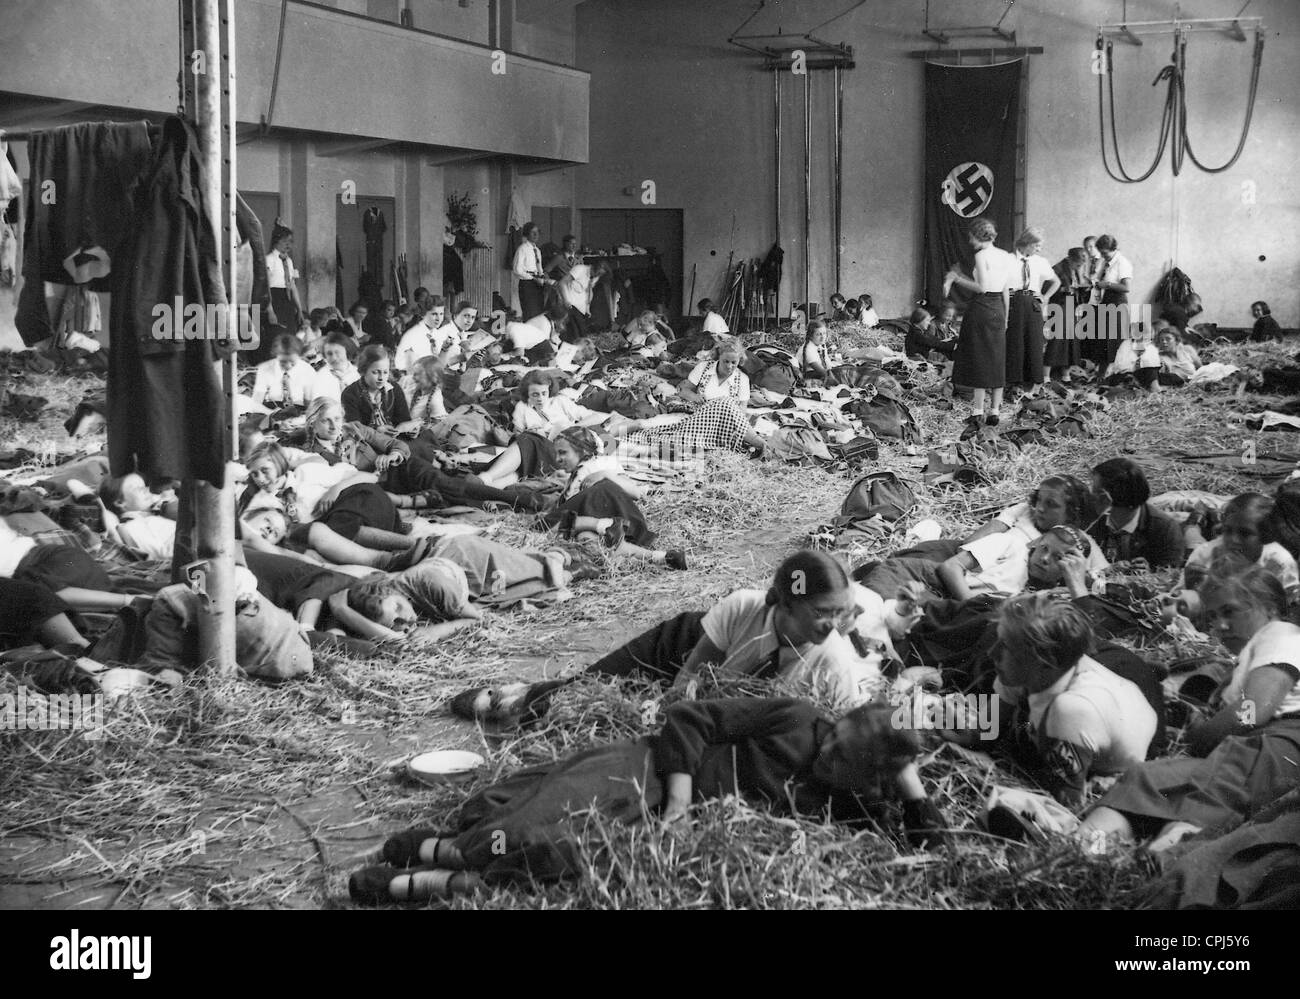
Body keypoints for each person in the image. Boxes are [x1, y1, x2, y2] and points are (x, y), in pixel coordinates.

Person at [349, 695, 944, 902]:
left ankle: (417, 885)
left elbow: (930, 846)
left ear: (871, 779)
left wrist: (906, 779)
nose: (825, 752)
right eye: (834, 735)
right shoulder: (798, 719)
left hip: (655, 829)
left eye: (843, 759)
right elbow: (689, 719)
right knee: (524, 821)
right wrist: (682, 806)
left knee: (565, 864)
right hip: (650, 771)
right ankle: (442, 849)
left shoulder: (847, 802)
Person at [453, 551, 887, 727]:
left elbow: (849, 730)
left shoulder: (832, 662)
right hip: (684, 644)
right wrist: (666, 707)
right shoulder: (745, 606)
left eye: (840, 613)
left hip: (726, 704)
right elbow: (692, 671)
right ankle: (525, 695)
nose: (835, 623)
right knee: (597, 686)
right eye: (824, 612)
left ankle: (528, 701)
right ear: (787, 605)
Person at [1079, 561, 1300, 853]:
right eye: (1213, 617)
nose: (1220, 626)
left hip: (1273, 747)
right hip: (1252, 750)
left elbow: (1251, 712)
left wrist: (1194, 740)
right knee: (1147, 778)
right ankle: (1081, 853)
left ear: (1270, 608)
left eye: (1231, 611)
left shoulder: (1280, 633)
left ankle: (1145, 869)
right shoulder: (1249, 655)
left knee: (1199, 802)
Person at [979, 593, 1159, 808]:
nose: (992, 653)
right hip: (1109, 707)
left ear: (1045, 661)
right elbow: (985, 730)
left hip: (1121, 756)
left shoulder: (1072, 710)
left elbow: (1066, 802)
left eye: (1006, 647)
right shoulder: (1026, 668)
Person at [536, 426, 686, 571]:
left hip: (616, 515)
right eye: (556, 453)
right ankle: (661, 557)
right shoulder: (580, 470)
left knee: (545, 525)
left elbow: (635, 493)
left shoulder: (600, 464)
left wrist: (605, 475)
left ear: (581, 450)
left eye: (563, 453)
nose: (557, 459)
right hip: (606, 525)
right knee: (588, 538)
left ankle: (602, 525)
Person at [474, 370, 641, 487]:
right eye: (534, 394)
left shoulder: (560, 401)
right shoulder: (522, 408)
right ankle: (486, 485)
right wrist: (537, 432)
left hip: (565, 450)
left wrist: (570, 429)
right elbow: (517, 434)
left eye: (544, 393)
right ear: (526, 393)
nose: (540, 398)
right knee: (526, 446)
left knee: (528, 451)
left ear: (549, 390)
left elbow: (596, 417)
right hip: (542, 448)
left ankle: (487, 479)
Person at [947, 218, 1014, 428]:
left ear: (977, 235)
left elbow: (982, 287)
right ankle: (994, 411)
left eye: (970, 236)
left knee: (979, 359)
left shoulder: (981, 255)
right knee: (996, 359)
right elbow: (1005, 289)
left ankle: (977, 412)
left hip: (981, 308)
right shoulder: (1006, 256)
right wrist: (1007, 315)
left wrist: (957, 278)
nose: (969, 239)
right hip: (998, 309)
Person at [1182, 492, 1300, 604]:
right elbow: (1178, 602)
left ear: (1265, 536)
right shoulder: (1205, 556)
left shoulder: (1278, 564)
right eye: (1227, 531)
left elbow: (1287, 610)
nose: (1234, 540)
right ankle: (1195, 522)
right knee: (1193, 539)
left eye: (1245, 533)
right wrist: (1191, 588)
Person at [1087, 457, 1184, 569]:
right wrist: (1105, 571)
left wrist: (1150, 573)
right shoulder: (1090, 523)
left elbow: (1172, 576)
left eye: (1095, 491)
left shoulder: (1164, 529)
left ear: (1107, 499)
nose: (1090, 495)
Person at [1004, 227, 1059, 393]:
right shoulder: (1008, 259)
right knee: (1015, 343)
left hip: (1032, 304)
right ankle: (1014, 383)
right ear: (1026, 243)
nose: (1039, 249)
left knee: (1034, 342)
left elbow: (1056, 282)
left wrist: (1046, 296)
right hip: (1014, 303)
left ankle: (1035, 383)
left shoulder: (1040, 262)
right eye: (1037, 246)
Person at [341, 344, 418, 434]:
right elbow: (354, 429)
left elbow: (403, 419)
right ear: (363, 371)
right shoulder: (350, 394)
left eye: (385, 372)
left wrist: (409, 429)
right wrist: (377, 431)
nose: (381, 378)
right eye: (375, 372)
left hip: (395, 438)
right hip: (366, 442)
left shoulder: (394, 389)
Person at [1086, 234, 1132, 369]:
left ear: (1114, 249)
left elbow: (1126, 287)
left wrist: (1107, 285)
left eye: (1105, 252)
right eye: (1101, 252)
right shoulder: (1108, 262)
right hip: (1107, 300)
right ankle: (1102, 372)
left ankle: (1113, 372)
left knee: (1113, 339)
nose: (1102, 255)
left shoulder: (1122, 263)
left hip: (1117, 302)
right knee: (1103, 339)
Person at [1044, 247, 1090, 380]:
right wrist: (1064, 289)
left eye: (1081, 265)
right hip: (1060, 306)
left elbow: (1080, 287)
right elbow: (1046, 288)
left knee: (1072, 341)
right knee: (1057, 340)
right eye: (1078, 264)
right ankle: (1046, 375)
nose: (1079, 267)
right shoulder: (1056, 269)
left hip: (1073, 307)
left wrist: (1085, 287)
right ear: (1070, 259)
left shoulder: (1078, 270)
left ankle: (1066, 374)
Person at [264, 221, 302, 360]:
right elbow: (265, 288)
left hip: (287, 302)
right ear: (276, 241)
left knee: (290, 337)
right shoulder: (269, 260)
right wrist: (270, 311)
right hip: (274, 300)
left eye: (290, 241)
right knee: (277, 337)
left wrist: (298, 308)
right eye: (284, 241)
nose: (288, 244)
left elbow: (292, 286)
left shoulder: (289, 261)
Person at [250, 333, 316, 410]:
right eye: (283, 362)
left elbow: (309, 403)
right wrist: (271, 414)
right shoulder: (264, 369)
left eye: (292, 362)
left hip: (299, 412)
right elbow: (256, 402)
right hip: (269, 411)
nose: (288, 366)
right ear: (275, 355)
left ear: (299, 356)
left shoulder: (307, 371)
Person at [679, 341, 750, 408]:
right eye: (726, 361)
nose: (729, 366)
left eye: (733, 362)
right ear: (719, 357)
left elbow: (742, 408)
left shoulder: (743, 379)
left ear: (739, 360)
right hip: (702, 414)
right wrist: (694, 397)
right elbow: (684, 391)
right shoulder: (703, 368)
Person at [1103, 320, 1160, 389]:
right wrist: (1140, 363)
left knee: (1169, 376)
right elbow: (1120, 366)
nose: (1152, 335)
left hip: (1144, 374)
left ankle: (1150, 385)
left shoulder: (1151, 347)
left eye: (1152, 332)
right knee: (1147, 372)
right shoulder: (1126, 344)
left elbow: (1155, 365)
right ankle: (1154, 388)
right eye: (1148, 332)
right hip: (1123, 374)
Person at [394, 297, 446, 373]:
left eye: (441, 314)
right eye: (434, 314)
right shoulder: (413, 334)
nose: (439, 318)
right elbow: (401, 365)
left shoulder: (437, 333)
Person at [512, 223, 552, 321]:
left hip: (538, 284)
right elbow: (517, 270)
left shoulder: (537, 250)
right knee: (530, 312)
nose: (536, 235)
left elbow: (539, 268)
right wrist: (533, 278)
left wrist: (543, 277)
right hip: (527, 284)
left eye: (537, 232)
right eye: (533, 233)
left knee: (539, 311)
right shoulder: (522, 249)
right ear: (527, 234)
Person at [309, 332, 360, 403]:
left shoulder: (358, 374)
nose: (334, 358)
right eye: (329, 354)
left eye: (338, 352)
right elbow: (319, 406)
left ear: (347, 351)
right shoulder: (321, 378)